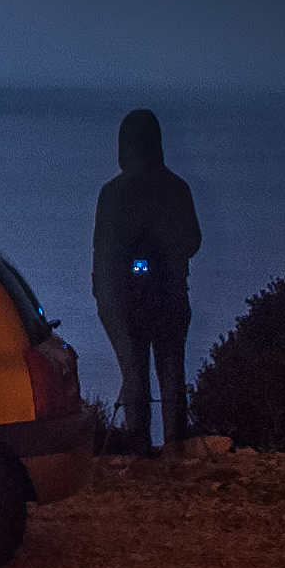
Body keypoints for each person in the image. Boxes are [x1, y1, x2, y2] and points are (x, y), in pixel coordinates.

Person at [93, 108, 203, 455]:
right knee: (172, 373)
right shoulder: (177, 188)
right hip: (170, 294)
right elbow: (193, 241)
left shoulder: (112, 193)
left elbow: (103, 246)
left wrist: (104, 291)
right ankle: (175, 445)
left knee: (134, 373)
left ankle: (138, 447)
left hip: (122, 298)